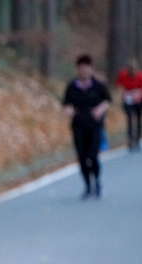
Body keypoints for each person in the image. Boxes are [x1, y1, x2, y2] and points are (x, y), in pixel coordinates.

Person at [62, 55, 111, 199]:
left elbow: (107, 100)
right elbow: (66, 103)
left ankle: (97, 181)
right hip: (78, 126)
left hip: (95, 126)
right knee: (82, 157)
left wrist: (100, 109)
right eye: (81, 68)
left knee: (93, 156)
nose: (83, 71)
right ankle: (87, 186)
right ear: (77, 69)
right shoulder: (72, 86)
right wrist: (69, 110)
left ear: (91, 69)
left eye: (86, 68)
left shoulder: (98, 86)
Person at [115, 60, 142, 151]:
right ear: (128, 70)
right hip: (128, 100)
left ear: (136, 70)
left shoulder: (141, 76)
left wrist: (139, 95)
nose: (132, 72)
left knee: (138, 119)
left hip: (139, 100)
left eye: (134, 70)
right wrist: (122, 94)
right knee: (129, 118)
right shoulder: (123, 75)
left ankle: (138, 139)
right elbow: (118, 86)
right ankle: (130, 140)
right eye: (130, 70)